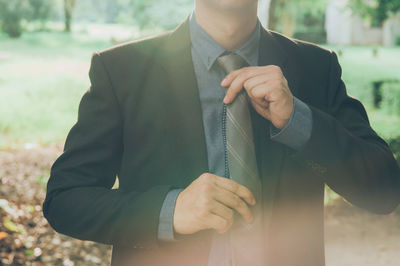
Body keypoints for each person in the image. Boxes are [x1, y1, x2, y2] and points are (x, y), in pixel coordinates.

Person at [43, 0, 400, 265]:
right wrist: (169, 210)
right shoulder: (121, 70)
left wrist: (299, 120)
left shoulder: (316, 68)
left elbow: (384, 191)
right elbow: (66, 200)